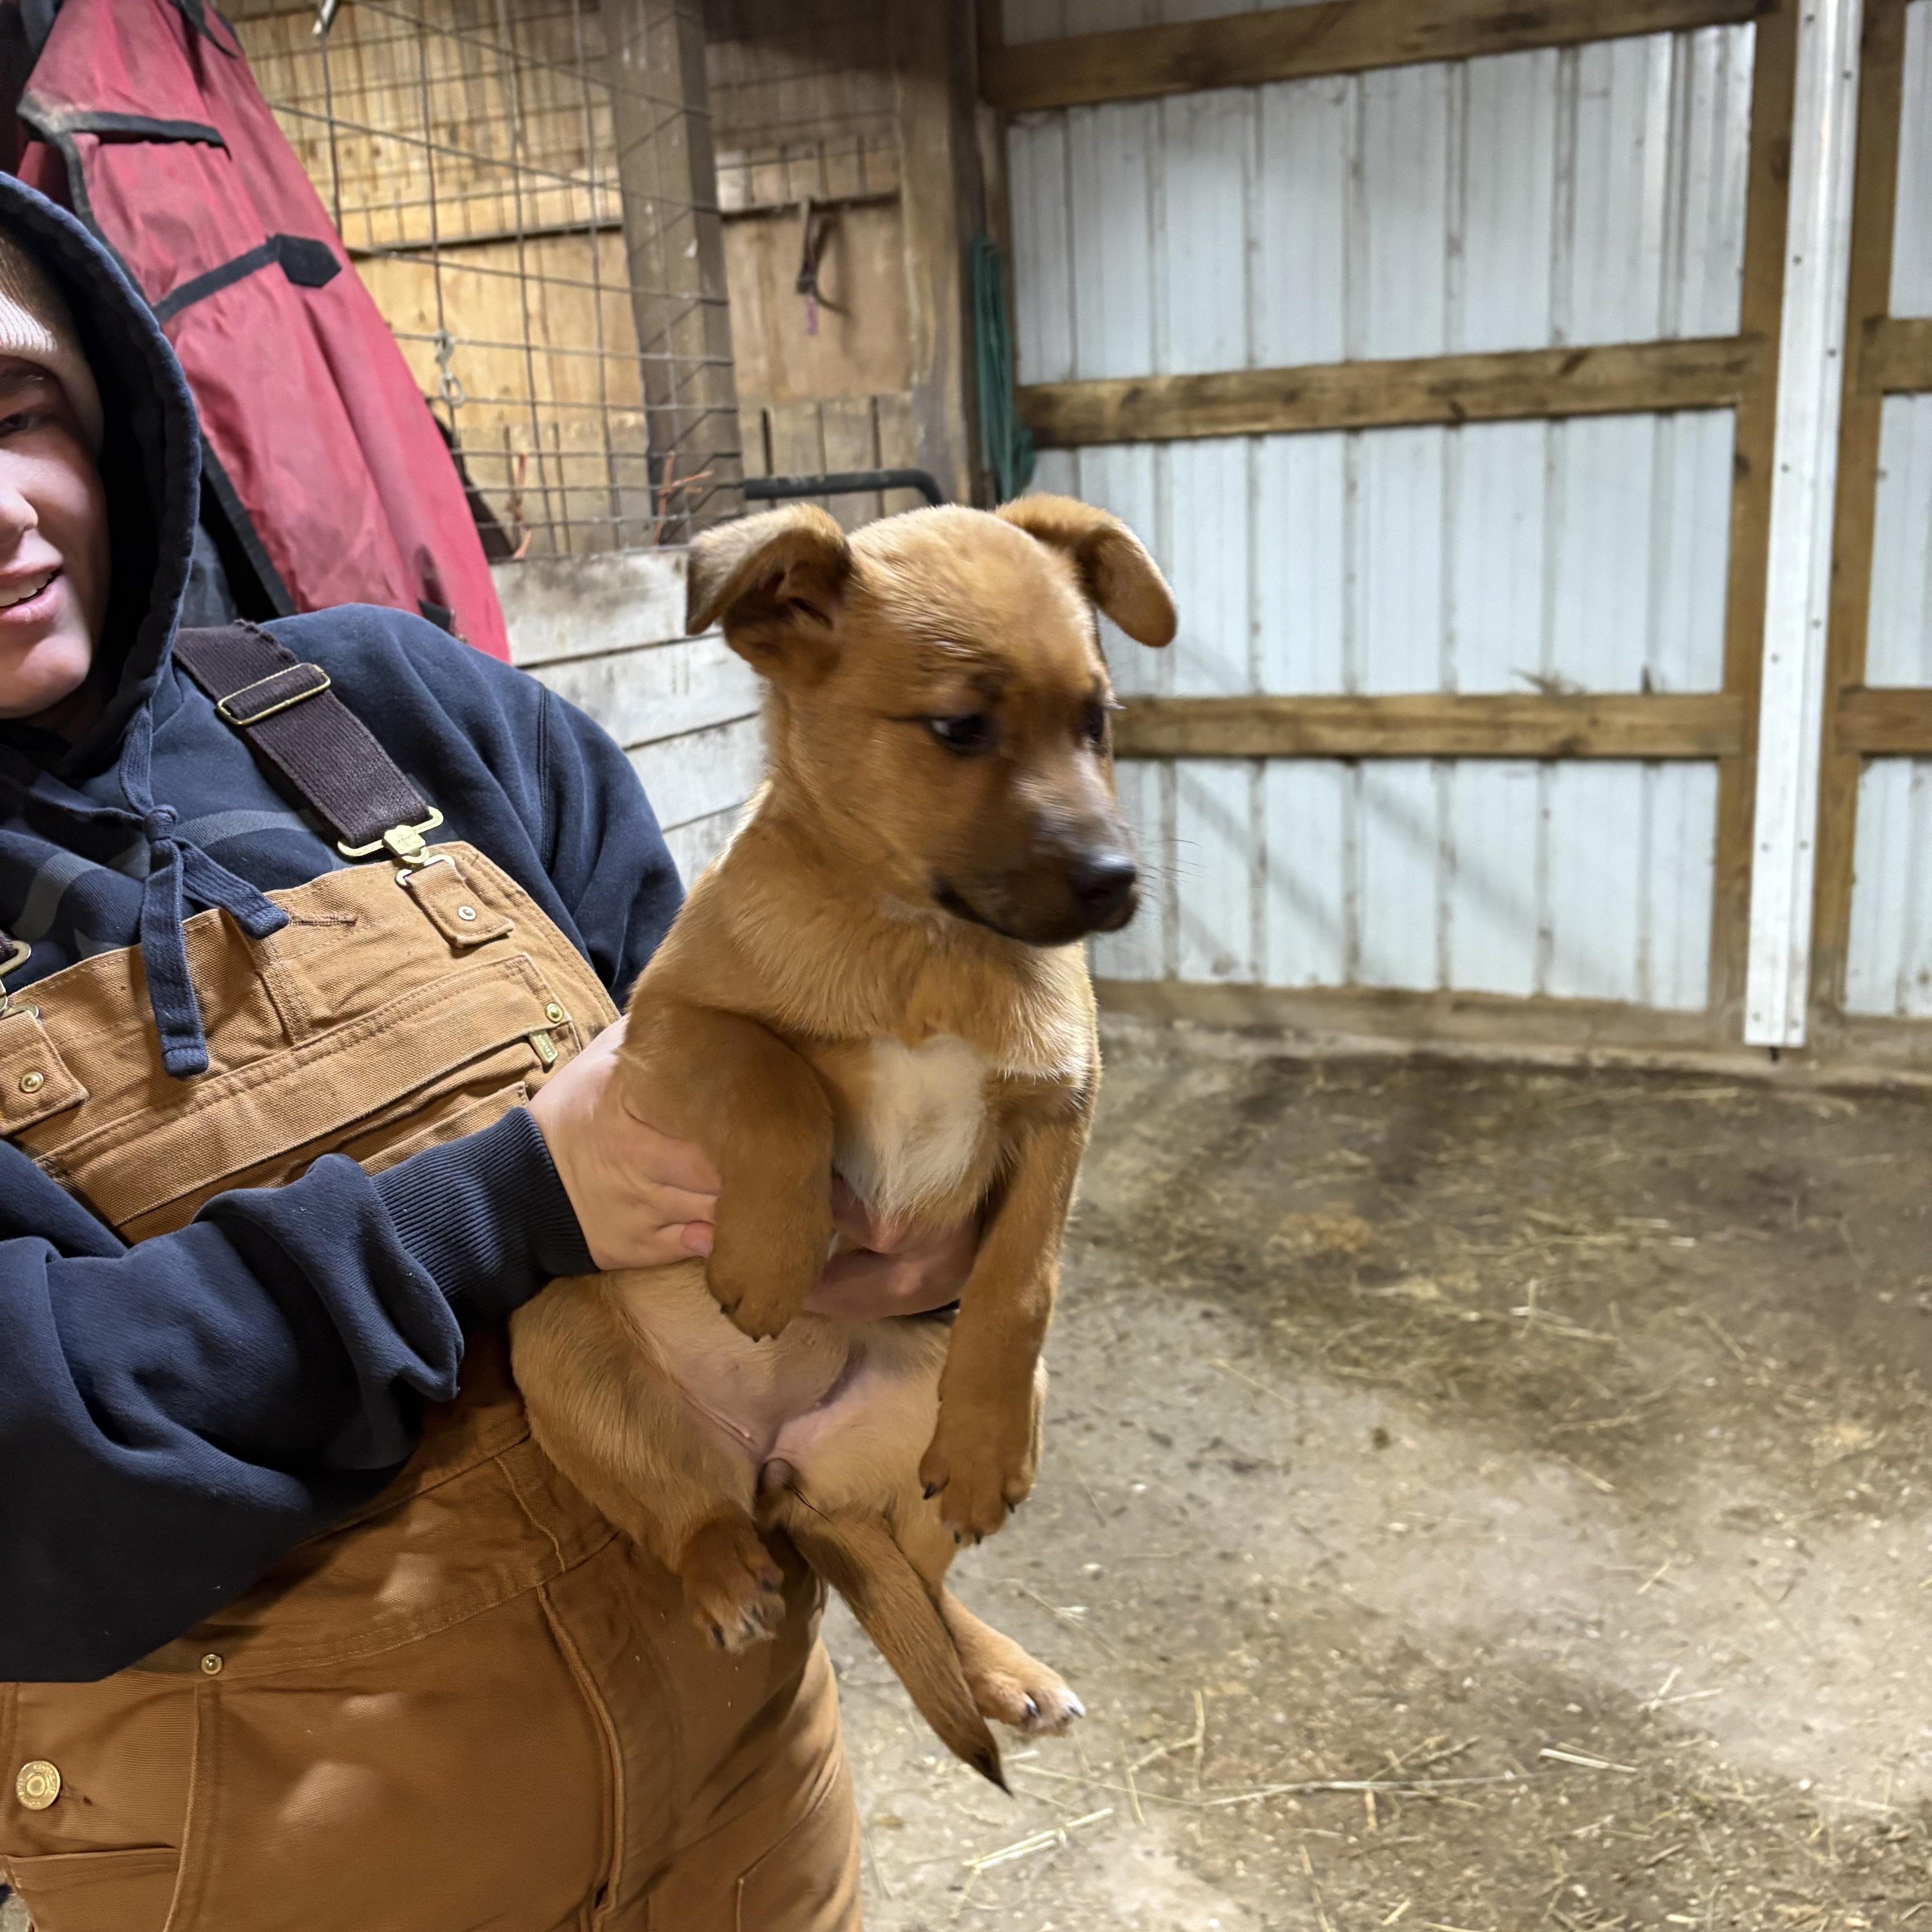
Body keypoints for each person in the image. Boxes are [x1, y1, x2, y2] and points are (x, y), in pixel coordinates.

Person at [0, 174, 967, 1931]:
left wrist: (894, 1208)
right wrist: (510, 1204)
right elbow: (33, 1461)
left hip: (746, 1805)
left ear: (110, 407)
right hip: (289, 1880)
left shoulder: (370, 703)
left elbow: (747, 1059)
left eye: (20, 413)